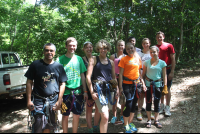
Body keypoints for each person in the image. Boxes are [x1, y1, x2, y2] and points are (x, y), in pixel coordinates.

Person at [25, 43, 67, 133]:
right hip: (38, 100)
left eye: (51, 50)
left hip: (53, 100)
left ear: (54, 53)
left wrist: (59, 100)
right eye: (47, 50)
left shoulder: (58, 66)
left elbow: (62, 83)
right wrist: (28, 100)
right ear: (43, 52)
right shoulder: (35, 65)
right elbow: (29, 82)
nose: (49, 52)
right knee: (38, 125)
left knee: (51, 125)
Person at [86, 39, 119, 133]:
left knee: (106, 115)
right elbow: (88, 77)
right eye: (101, 48)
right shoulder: (93, 59)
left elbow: (113, 78)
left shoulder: (111, 62)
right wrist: (92, 92)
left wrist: (116, 90)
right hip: (98, 90)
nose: (103, 50)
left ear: (108, 49)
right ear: (98, 49)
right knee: (105, 116)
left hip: (109, 90)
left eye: (105, 48)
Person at [56, 37, 88, 133]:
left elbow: (82, 76)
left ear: (76, 46)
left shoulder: (79, 59)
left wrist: (85, 91)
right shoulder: (60, 60)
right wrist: (59, 96)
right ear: (66, 46)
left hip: (78, 92)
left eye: (74, 45)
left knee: (77, 115)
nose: (72, 47)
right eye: (70, 45)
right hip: (65, 92)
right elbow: (57, 78)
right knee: (65, 116)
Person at [118, 42, 145, 133]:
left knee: (134, 104)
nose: (130, 50)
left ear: (134, 48)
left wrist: (143, 83)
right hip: (126, 84)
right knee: (128, 104)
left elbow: (140, 73)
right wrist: (120, 87)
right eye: (128, 48)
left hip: (136, 84)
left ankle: (130, 123)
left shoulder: (138, 59)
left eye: (131, 48)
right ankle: (125, 125)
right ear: (126, 50)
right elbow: (120, 74)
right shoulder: (123, 59)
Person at [142, 46, 167, 128]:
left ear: (158, 52)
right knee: (148, 102)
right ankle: (149, 120)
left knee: (157, 103)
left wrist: (165, 86)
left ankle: (156, 120)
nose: (152, 53)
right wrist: (143, 84)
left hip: (158, 85)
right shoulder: (146, 62)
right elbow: (143, 74)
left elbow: (164, 75)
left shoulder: (162, 63)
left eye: (154, 52)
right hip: (148, 85)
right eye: (151, 52)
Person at [82, 41, 100, 133]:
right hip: (87, 87)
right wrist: (85, 90)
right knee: (89, 108)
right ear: (83, 49)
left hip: (97, 86)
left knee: (98, 107)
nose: (89, 49)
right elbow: (82, 76)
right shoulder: (81, 60)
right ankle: (90, 127)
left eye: (90, 47)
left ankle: (96, 125)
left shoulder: (97, 58)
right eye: (87, 47)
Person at [156, 31, 176, 117]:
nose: (159, 38)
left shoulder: (169, 45)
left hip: (167, 69)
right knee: (160, 88)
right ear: (156, 38)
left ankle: (167, 107)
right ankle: (162, 106)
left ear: (163, 37)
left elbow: (173, 58)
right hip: (158, 70)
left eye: (160, 37)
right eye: (158, 37)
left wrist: (172, 71)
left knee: (167, 88)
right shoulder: (155, 47)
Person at [136, 38, 153, 121]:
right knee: (141, 94)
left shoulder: (152, 52)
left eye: (147, 43)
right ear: (142, 44)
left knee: (149, 94)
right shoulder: (138, 53)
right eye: (143, 43)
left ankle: (149, 110)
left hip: (150, 75)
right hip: (140, 75)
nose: (145, 45)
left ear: (149, 43)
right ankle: (139, 111)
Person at [109, 40, 126, 124]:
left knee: (122, 97)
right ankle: (114, 116)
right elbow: (108, 67)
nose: (120, 47)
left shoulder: (127, 56)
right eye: (119, 45)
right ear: (116, 46)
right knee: (114, 97)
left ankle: (122, 115)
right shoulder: (113, 56)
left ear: (124, 46)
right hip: (114, 79)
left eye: (122, 45)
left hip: (123, 79)